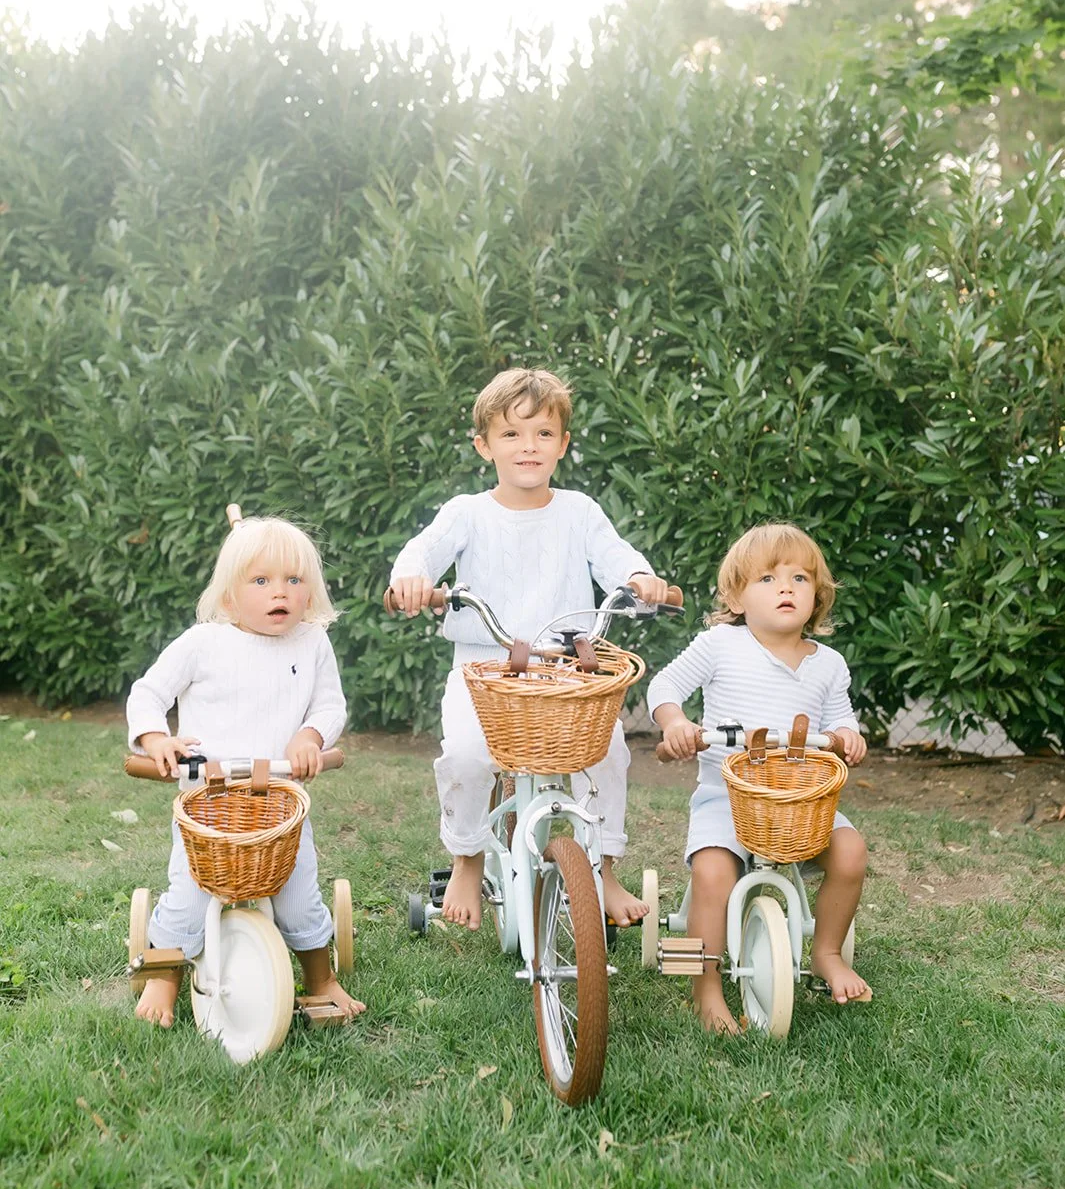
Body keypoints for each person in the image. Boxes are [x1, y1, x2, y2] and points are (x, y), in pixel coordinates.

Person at [389, 366, 671, 930]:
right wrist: (412, 579)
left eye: (544, 434)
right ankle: (468, 858)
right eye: (512, 434)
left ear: (563, 444)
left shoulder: (579, 511)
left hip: (568, 668)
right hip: (484, 668)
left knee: (609, 753)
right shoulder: (467, 512)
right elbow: (421, 552)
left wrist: (641, 577)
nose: (528, 447)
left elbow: (615, 555)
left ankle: (603, 868)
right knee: (469, 756)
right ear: (484, 444)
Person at [126, 514, 364, 1027]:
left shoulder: (312, 642)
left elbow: (329, 706)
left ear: (310, 591)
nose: (280, 592)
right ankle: (165, 976)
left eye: (293, 580)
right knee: (190, 895)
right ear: (230, 596)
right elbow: (148, 693)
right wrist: (155, 737)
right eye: (261, 581)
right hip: (207, 803)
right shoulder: (203, 642)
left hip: (279, 800)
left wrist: (310, 736)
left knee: (299, 895)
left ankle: (320, 980)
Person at [648, 522, 870, 1034]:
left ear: (817, 596)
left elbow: (841, 717)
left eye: (799, 578)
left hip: (798, 801)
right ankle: (706, 989)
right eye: (768, 579)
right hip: (726, 797)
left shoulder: (828, 664)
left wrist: (846, 735)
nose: (786, 588)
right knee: (713, 875)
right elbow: (665, 685)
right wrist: (676, 722)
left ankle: (827, 952)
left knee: (851, 851)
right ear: (737, 596)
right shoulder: (721, 644)